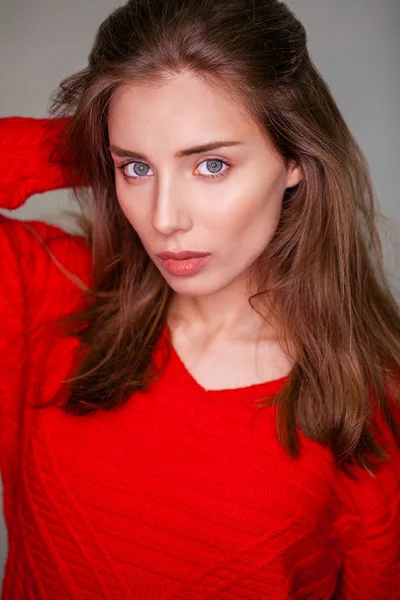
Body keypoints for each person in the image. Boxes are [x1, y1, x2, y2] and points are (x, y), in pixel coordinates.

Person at [1, 0, 399, 598]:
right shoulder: (54, 289)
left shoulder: (368, 399)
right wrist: (95, 138)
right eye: (135, 169)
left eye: (210, 164)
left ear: (295, 159)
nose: (164, 219)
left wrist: (141, 144)